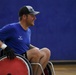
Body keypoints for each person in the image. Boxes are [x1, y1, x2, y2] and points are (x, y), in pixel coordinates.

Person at [0, 5, 51, 75]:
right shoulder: (12, 28)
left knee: (46, 51)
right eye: (32, 16)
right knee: (35, 52)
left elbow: (23, 43)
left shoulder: (28, 31)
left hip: (25, 57)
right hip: (14, 58)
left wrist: (34, 48)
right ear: (24, 17)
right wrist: (5, 47)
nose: (35, 18)